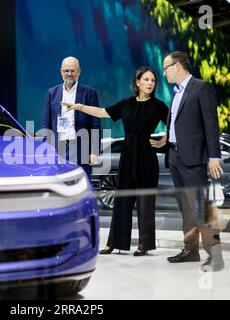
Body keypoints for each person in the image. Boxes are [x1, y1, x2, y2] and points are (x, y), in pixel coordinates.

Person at [63, 66, 168, 256]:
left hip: (146, 156)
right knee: (122, 201)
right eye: (146, 80)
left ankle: (144, 245)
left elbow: (175, 123)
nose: (150, 83)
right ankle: (114, 243)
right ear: (137, 82)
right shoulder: (127, 103)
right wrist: (79, 107)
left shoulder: (159, 106)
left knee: (145, 203)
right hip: (127, 155)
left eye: (152, 80)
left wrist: (163, 141)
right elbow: (103, 112)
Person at [162, 51, 225, 272]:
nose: (164, 72)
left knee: (202, 207)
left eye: (166, 67)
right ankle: (191, 250)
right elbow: (180, 125)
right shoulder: (176, 92)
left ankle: (216, 255)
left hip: (194, 159)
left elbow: (210, 123)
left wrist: (214, 156)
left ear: (178, 66)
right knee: (186, 208)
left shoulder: (200, 87)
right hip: (176, 157)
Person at [42, 56, 100, 177]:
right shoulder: (52, 93)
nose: (69, 73)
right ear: (61, 72)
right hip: (58, 148)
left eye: (72, 70)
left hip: (80, 148)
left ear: (79, 72)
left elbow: (95, 124)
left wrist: (94, 151)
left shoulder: (89, 93)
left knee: (81, 184)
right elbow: (46, 124)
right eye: (66, 70)